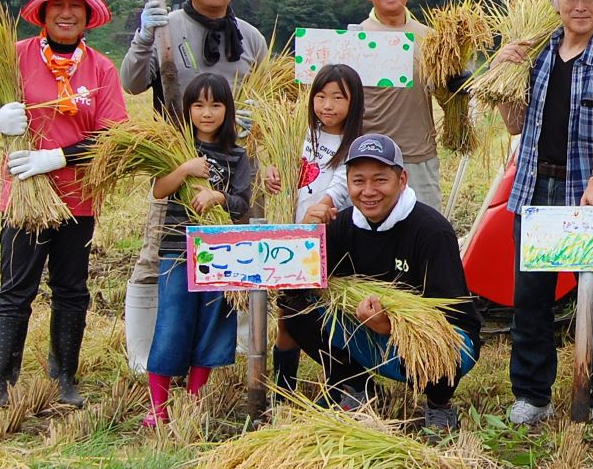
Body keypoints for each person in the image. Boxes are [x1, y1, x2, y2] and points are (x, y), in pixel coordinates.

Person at [494, 0, 593, 431]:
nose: (580, 5)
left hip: (589, 192)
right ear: (555, 1)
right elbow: (516, 127)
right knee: (530, 297)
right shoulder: (535, 57)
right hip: (536, 187)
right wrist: (502, 76)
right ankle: (532, 395)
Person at [0, 0, 129, 411]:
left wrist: (57, 157)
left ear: (87, 16)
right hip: (23, 195)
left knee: (70, 289)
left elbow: (111, 137)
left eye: (75, 7)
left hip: (77, 197)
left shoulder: (101, 68)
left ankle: (64, 375)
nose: (66, 13)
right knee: (15, 290)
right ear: (42, 13)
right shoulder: (15, 57)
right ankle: (0, 384)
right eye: (58, 6)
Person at [119, 0, 268, 373]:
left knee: (237, 256)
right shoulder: (169, 28)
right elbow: (131, 83)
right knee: (157, 259)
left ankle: (235, 347)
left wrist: (258, 135)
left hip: (237, 169)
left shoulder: (252, 39)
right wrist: (144, 35)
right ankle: (144, 353)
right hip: (179, 168)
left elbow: (273, 100)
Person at [277, 134, 481, 433]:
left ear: (402, 179)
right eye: (358, 181)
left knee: (445, 353)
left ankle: (439, 405)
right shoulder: (341, 226)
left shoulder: (431, 231)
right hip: (363, 330)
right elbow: (298, 283)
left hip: (426, 337)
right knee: (294, 306)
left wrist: (390, 326)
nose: (369, 191)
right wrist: (309, 234)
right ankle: (355, 388)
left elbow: (452, 318)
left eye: (380, 180)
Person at [143, 73, 254, 427]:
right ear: (188, 109)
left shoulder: (237, 155)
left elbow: (242, 202)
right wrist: (185, 169)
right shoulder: (177, 148)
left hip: (220, 253)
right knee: (172, 324)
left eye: (216, 105)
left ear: (228, 109)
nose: (207, 113)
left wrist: (218, 195)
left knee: (212, 325)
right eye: (199, 105)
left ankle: (193, 401)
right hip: (177, 249)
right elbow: (160, 190)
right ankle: (158, 408)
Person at [260, 62, 365, 394]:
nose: (328, 106)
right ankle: (284, 387)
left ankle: (342, 382)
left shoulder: (355, 145)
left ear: (354, 103)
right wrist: (271, 174)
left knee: (333, 313)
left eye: (338, 97)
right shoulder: (298, 135)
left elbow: (340, 188)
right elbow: (277, 168)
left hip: (331, 239)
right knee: (287, 317)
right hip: (293, 237)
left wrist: (323, 208)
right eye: (321, 96)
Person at [348, 0, 454, 214]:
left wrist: (455, 81)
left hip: (418, 158)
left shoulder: (430, 38)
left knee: (423, 237)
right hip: (369, 159)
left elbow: (446, 97)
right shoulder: (354, 40)